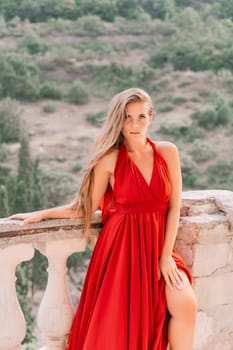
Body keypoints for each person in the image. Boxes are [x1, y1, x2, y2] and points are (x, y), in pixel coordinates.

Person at [10, 88, 197, 350]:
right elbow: (84, 207)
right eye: (127, 117)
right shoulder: (109, 160)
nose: (134, 124)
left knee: (185, 304)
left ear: (151, 117)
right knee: (117, 332)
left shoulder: (167, 152)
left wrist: (165, 256)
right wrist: (41, 213)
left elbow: (174, 206)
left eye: (141, 117)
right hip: (122, 252)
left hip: (157, 249)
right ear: (118, 120)